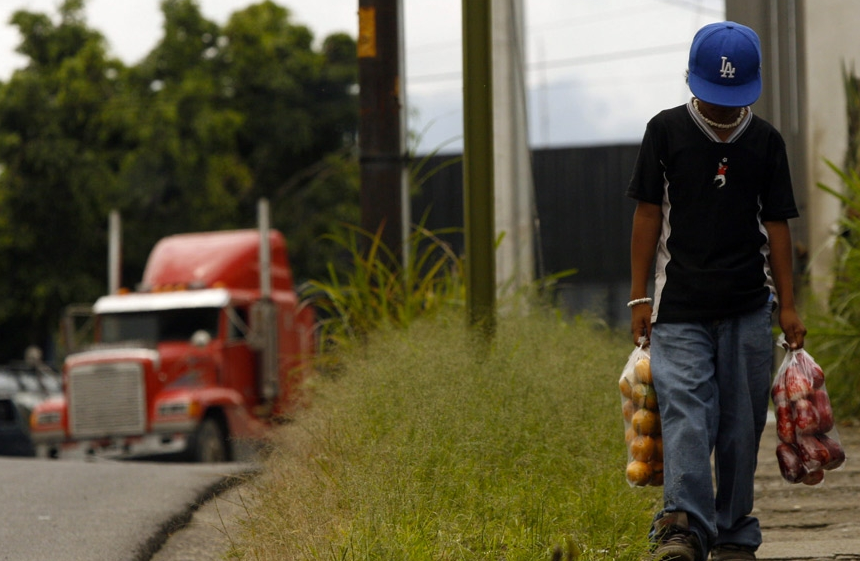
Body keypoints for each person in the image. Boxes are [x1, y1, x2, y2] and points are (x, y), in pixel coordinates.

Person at [626, 21, 807, 561]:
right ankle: (683, 526)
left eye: (734, 101)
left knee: (739, 424)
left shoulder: (766, 142)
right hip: (678, 309)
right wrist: (639, 298)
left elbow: (778, 227)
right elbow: (647, 215)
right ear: (692, 82)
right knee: (686, 413)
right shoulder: (664, 133)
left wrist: (790, 305)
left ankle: (732, 532)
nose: (724, 110)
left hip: (750, 309)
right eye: (714, 98)